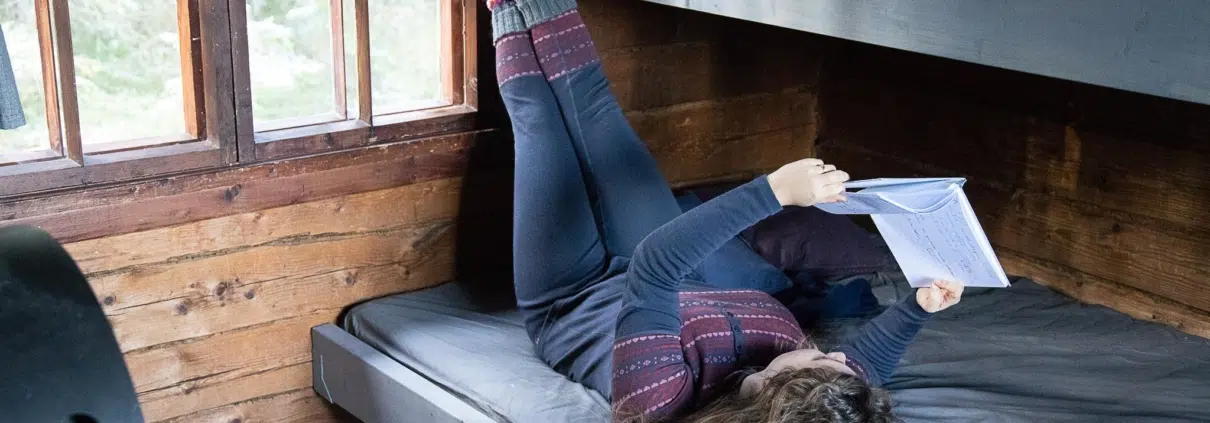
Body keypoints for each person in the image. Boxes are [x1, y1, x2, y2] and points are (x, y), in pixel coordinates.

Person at [488, 0, 966, 421]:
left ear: (765, 389)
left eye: (823, 359)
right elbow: (858, 377)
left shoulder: (658, 399)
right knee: (596, 113)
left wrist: (772, 192)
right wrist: (917, 307)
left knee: (539, 121)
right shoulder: (806, 397)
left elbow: (654, 269)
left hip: (575, 296)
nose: (839, 356)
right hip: (678, 281)